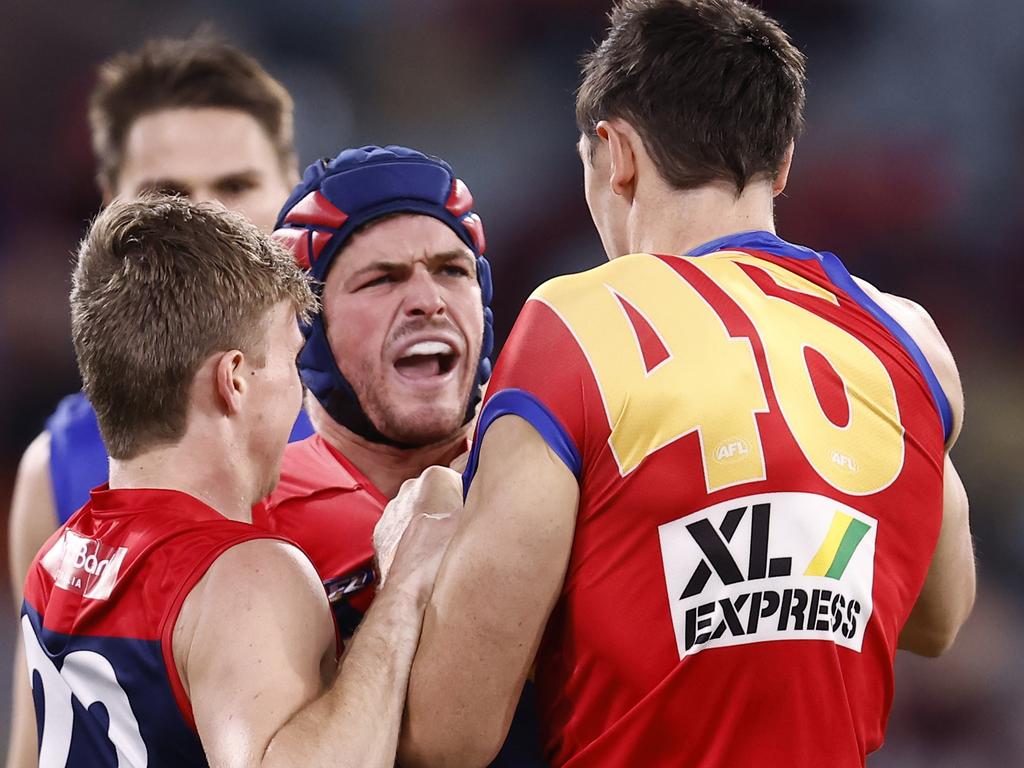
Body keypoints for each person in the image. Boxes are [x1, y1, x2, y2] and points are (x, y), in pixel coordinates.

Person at [395, 1, 975, 766]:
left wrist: (422, 546)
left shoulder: (578, 320)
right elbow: (940, 618)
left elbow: (449, 736)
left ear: (616, 154)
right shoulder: (911, 339)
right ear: (785, 160)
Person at [20, 195, 458, 767]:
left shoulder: (55, 561)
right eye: (290, 361)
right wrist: (406, 584)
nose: (299, 388)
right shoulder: (244, 574)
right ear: (235, 380)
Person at [6, 37, 311, 768]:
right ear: (112, 211)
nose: (209, 224)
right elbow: (40, 742)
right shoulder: (58, 466)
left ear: (294, 193)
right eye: (170, 197)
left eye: (236, 186)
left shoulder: (403, 422)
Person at [262, 145, 545, 767]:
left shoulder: (570, 483)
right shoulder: (252, 534)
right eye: (382, 279)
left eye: (452, 270)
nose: (428, 301)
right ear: (305, 325)